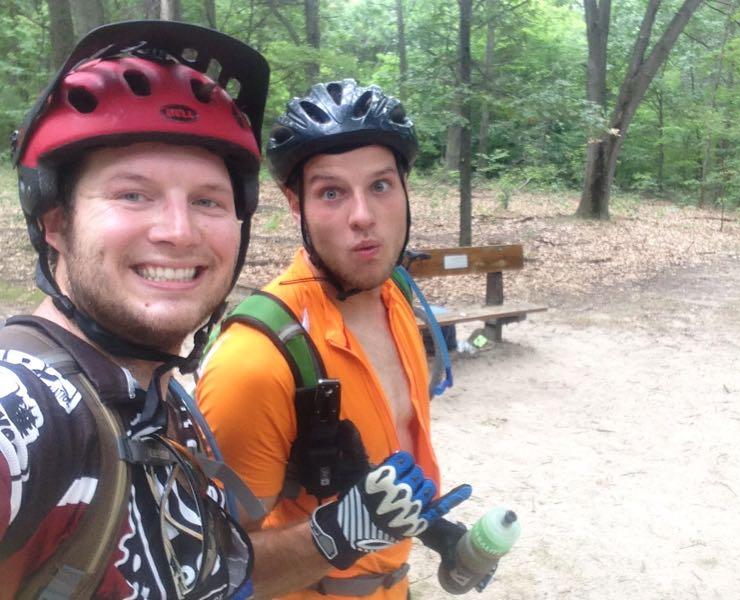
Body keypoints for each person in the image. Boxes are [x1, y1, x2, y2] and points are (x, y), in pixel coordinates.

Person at [1, 24, 467, 599]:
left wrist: (397, 531)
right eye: (132, 193)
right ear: (54, 221)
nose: (177, 230)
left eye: (207, 200)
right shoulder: (29, 410)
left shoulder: (163, 405)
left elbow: (219, 570)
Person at [197, 79, 470, 599]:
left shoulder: (393, 299)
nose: (363, 215)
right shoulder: (254, 361)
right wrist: (340, 533)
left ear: (406, 189)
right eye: (331, 192)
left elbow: (384, 485)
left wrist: (437, 534)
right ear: (294, 203)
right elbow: (216, 570)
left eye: (381, 186)